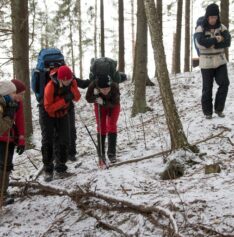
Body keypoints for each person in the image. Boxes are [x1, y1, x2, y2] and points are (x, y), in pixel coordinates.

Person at [40, 65, 81, 182]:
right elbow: (48, 108)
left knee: (64, 139)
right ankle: (48, 169)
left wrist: (72, 89)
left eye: (70, 79)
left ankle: (61, 167)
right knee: (48, 140)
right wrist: (64, 100)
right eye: (67, 80)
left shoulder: (71, 82)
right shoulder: (50, 86)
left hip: (63, 113)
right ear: (61, 78)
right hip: (48, 115)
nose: (69, 81)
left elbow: (77, 97)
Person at [194, 3, 231, 119]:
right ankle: (208, 113)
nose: (213, 19)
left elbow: (227, 42)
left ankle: (219, 109)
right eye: (211, 17)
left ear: (217, 17)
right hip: (206, 63)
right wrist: (216, 39)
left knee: (224, 84)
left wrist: (210, 42)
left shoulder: (222, 27)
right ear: (207, 17)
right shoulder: (200, 28)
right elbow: (200, 43)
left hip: (220, 62)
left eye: (215, 17)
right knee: (207, 88)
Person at [0, 79, 26, 205]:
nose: (21, 98)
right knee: (1, 166)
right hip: (1, 138)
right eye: (19, 94)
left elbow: (20, 120)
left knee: (7, 165)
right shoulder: (3, 104)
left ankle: (3, 192)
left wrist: (21, 139)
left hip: (9, 138)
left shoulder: (16, 103)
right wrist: (9, 115)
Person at [86, 75, 120, 166]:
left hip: (113, 106)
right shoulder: (93, 85)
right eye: (103, 89)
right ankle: (101, 154)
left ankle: (112, 153)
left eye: (107, 88)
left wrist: (104, 102)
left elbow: (115, 102)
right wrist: (95, 96)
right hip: (99, 106)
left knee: (112, 126)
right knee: (101, 127)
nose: (105, 91)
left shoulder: (114, 86)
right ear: (98, 87)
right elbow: (88, 98)